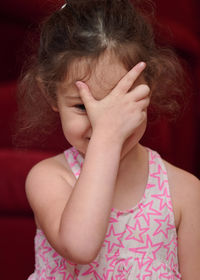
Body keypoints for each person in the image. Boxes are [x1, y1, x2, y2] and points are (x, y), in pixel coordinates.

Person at [17, 0, 200, 279]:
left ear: (149, 86)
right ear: (51, 94)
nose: (103, 123)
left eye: (118, 104)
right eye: (82, 107)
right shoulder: (49, 178)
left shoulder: (186, 191)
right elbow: (80, 247)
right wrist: (108, 139)